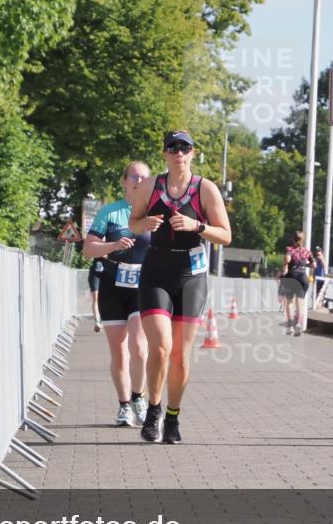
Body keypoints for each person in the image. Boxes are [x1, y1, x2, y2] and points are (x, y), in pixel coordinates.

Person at [129, 130, 231, 444]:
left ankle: (173, 417)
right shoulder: (151, 185)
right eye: (173, 148)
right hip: (156, 272)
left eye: (184, 148)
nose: (178, 154)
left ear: (192, 153)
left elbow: (225, 235)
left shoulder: (206, 189)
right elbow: (134, 221)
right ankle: (154, 410)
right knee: (160, 348)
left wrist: (196, 225)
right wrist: (143, 225)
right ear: (165, 154)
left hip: (191, 276)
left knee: (181, 357)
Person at [83, 162, 153, 426]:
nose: (138, 180)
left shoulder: (154, 214)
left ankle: (139, 397)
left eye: (144, 177)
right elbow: (88, 250)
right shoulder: (109, 213)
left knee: (139, 346)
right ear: (124, 181)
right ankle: (124, 406)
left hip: (141, 287)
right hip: (112, 285)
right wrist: (113, 245)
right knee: (119, 352)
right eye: (133, 176)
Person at [279, 231, 314, 336]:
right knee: (300, 302)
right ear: (303, 240)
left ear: (293, 240)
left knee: (289, 302)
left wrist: (285, 263)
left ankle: (290, 326)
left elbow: (288, 259)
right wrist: (305, 266)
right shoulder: (307, 252)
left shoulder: (290, 250)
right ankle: (298, 323)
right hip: (303, 278)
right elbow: (314, 264)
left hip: (291, 277)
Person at [87, 259, 103, 332]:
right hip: (95, 273)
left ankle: (102, 320)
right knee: (95, 297)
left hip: (108, 273)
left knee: (104, 299)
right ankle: (97, 322)